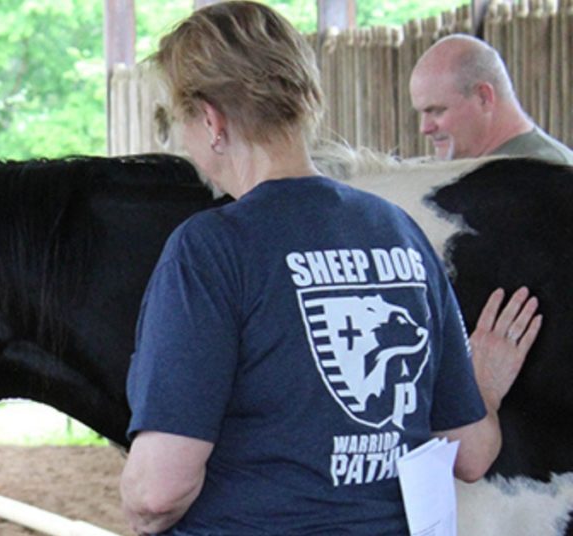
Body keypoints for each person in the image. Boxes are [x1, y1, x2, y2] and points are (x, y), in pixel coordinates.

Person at [119, 3, 542, 534]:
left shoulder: (210, 249)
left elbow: (160, 491)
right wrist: (482, 388)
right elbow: (472, 453)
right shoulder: (400, 231)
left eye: (179, 120)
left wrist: (135, 506)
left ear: (210, 119)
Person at [409, 34, 573, 164]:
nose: (425, 128)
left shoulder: (552, 175)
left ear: (483, 97)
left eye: (437, 111)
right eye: (422, 113)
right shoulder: (481, 169)